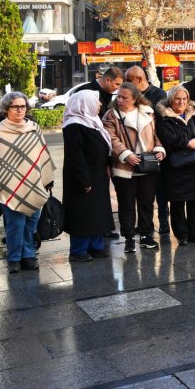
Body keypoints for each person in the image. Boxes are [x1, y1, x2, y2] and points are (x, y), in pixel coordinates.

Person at [0, 93, 55, 272]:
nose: (20, 110)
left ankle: (28, 255)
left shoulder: (34, 129)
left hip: (33, 184)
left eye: (23, 106)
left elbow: (42, 156)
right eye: (16, 107)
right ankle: (14, 258)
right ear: (6, 109)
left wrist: (47, 180)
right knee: (16, 224)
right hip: (8, 187)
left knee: (31, 221)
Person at [103, 83, 166, 253]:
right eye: (119, 96)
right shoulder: (111, 115)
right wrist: (125, 154)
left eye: (125, 97)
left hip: (148, 165)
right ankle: (129, 238)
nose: (120, 100)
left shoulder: (148, 112)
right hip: (124, 167)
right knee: (126, 205)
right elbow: (111, 138)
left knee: (146, 203)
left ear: (135, 99)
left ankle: (146, 235)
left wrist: (159, 150)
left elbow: (156, 136)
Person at [155, 85, 195, 245]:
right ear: (170, 100)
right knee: (178, 202)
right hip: (177, 168)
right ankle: (181, 234)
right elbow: (168, 139)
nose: (181, 102)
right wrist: (188, 143)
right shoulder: (163, 117)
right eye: (177, 98)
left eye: (184, 98)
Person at [61, 90, 114, 262]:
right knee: (82, 214)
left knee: (97, 212)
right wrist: (84, 180)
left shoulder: (93, 122)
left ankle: (96, 246)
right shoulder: (73, 125)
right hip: (82, 178)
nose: (99, 105)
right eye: (96, 101)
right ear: (85, 103)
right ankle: (78, 250)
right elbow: (75, 156)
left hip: (98, 175)